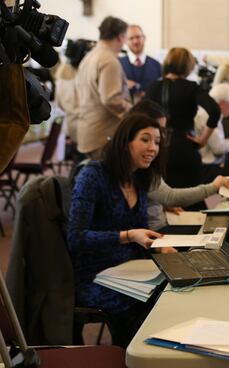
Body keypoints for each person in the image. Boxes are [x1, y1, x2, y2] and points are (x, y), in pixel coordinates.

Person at [68, 114, 173, 348]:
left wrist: (161, 247)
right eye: (145, 140)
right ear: (125, 142)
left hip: (130, 270)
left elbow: (140, 233)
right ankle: (132, 357)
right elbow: (76, 237)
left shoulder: (138, 179)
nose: (153, 148)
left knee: (172, 291)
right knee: (144, 305)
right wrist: (128, 235)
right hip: (94, 275)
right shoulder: (93, 175)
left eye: (156, 142)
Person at [126, 100, 229, 229]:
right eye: (146, 139)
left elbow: (158, 195)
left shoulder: (158, 152)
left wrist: (161, 204)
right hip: (159, 230)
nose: (154, 146)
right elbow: (169, 196)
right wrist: (213, 187)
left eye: (160, 134)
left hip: (169, 217)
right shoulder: (138, 162)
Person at [146, 47, 220, 189]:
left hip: (158, 147)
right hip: (185, 147)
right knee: (191, 197)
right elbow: (214, 110)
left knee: (162, 198)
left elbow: (140, 115)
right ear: (188, 66)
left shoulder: (152, 87)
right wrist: (203, 139)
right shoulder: (191, 87)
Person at [75, 16, 132, 159]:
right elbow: (110, 99)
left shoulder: (89, 57)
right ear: (120, 37)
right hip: (103, 134)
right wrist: (132, 109)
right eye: (125, 37)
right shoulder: (109, 61)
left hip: (88, 130)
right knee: (107, 179)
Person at [195, 84, 229, 181]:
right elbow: (218, 148)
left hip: (210, 167)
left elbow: (217, 143)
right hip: (208, 170)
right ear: (222, 103)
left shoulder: (207, 113)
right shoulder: (208, 116)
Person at [119, 25, 162, 100]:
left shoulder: (157, 65)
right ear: (125, 41)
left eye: (138, 37)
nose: (135, 41)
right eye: (131, 38)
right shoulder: (118, 64)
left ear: (144, 38)